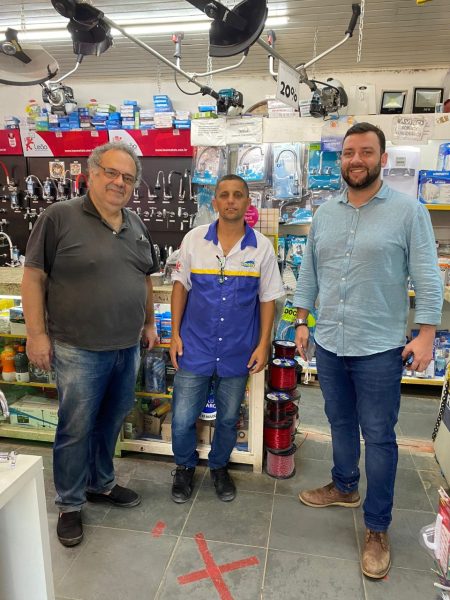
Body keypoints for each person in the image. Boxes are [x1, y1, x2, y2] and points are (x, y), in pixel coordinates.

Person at [293, 122, 443, 579]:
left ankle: (377, 527)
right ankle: (344, 486)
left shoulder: (408, 212)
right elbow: (309, 271)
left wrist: (426, 333)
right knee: (339, 421)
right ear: (341, 159)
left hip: (378, 347)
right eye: (349, 152)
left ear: (382, 158)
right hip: (330, 341)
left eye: (366, 152)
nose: (356, 160)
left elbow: (427, 275)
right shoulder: (325, 213)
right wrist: (301, 321)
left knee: (378, 436)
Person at [21, 142, 159, 547]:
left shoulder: (136, 223)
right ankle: (69, 503)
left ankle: (101, 483)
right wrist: (36, 334)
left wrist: (149, 321)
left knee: (111, 421)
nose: (119, 182)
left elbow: (145, 278)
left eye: (128, 177)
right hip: (78, 348)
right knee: (75, 428)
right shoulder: (58, 217)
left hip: (126, 347)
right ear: (92, 173)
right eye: (111, 173)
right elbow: (33, 278)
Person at [169, 174, 285, 503]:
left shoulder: (261, 247)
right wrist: (175, 334)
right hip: (195, 347)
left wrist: (263, 344)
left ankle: (219, 466)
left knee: (229, 417)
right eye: (224, 195)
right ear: (215, 201)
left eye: (237, 195)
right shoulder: (194, 240)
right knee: (182, 417)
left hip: (237, 350)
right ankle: (184, 467)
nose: (231, 200)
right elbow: (180, 287)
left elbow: (268, 299)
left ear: (248, 202)